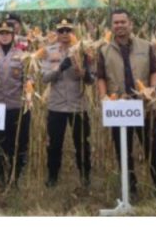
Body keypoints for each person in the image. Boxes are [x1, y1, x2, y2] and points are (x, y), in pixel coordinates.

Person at [96, 8, 156, 196]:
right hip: (119, 106)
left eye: (123, 22)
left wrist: (152, 89)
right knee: (123, 151)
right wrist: (104, 98)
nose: (119, 25)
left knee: (153, 148)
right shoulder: (104, 50)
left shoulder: (146, 46)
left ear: (131, 24)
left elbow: (155, 70)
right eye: (116, 23)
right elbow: (101, 77)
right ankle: (130, 189)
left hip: (143, 106)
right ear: (111, 26)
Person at [41, 19, 93, 187]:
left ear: (73, 32)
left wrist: (83, 72)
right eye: (61, 30)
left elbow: (91, 79)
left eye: (68, 30)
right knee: (54, 144)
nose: (64, 34)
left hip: (78, 105)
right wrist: (60, 68)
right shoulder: (49, 52)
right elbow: (44, 78)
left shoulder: (83, 51)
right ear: (57, 33)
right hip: (56, 105)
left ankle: (85, 177)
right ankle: (52, 177)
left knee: (82, 143)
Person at [0, 21, 30, 187]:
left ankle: (15, 176)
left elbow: (29, 78)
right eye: (1, 33)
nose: (4, 36)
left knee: (16, 143)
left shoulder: (22, 54)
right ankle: (0, 175)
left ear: (13, 35)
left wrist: (28, 91)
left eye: (7, 33)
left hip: (16, 106)